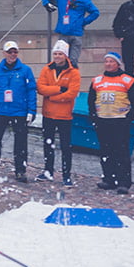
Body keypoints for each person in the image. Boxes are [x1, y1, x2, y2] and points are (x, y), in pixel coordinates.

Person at [0, 41, 37, 182]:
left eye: (15, 52)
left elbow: (31, 91)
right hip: (1, 110)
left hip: (19, 111)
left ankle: (20, 170)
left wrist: (31, 110)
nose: (12, 55)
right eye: (10, 52)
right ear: (4, 53)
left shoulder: (25, 71)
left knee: (21, 143)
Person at [87, 52, 134, 194]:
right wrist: (93, 116)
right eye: (106, 61)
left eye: (111, 61)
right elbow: (91, 100)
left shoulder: (127, 80)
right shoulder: (97, 80)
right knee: (105, 151)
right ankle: (109, 179)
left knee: (121, 152)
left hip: (120, 121)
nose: (108, 64)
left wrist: (129, 118)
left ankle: (123, 182)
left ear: (118, 64)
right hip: (103, 121)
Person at [35, 40, 80, 186]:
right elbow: (41, 88)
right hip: (48, 114)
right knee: (48, 144)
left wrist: (52, 96)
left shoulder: (73, 72)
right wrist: (59, 89)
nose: (57, 56)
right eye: (55, 53)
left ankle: (66, 175)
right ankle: (48, 171)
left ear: (65, 55)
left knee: (66, 147)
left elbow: (72, 93)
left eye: (60, 54)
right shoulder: (47, 70)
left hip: (64, 115)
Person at [42, 0, 99, 68]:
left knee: (73, 61)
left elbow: (95, 12)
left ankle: (72, 80)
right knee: (60, 60)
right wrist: (46, 4)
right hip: (63, 32)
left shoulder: (85, 0)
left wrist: (83, 22)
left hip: (76, 34)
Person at [112, 0, 134, 77]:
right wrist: (120, 35)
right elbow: (116, 23)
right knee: (128, 66)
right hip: (128, 40)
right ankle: (130, 88)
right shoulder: (125, 7)